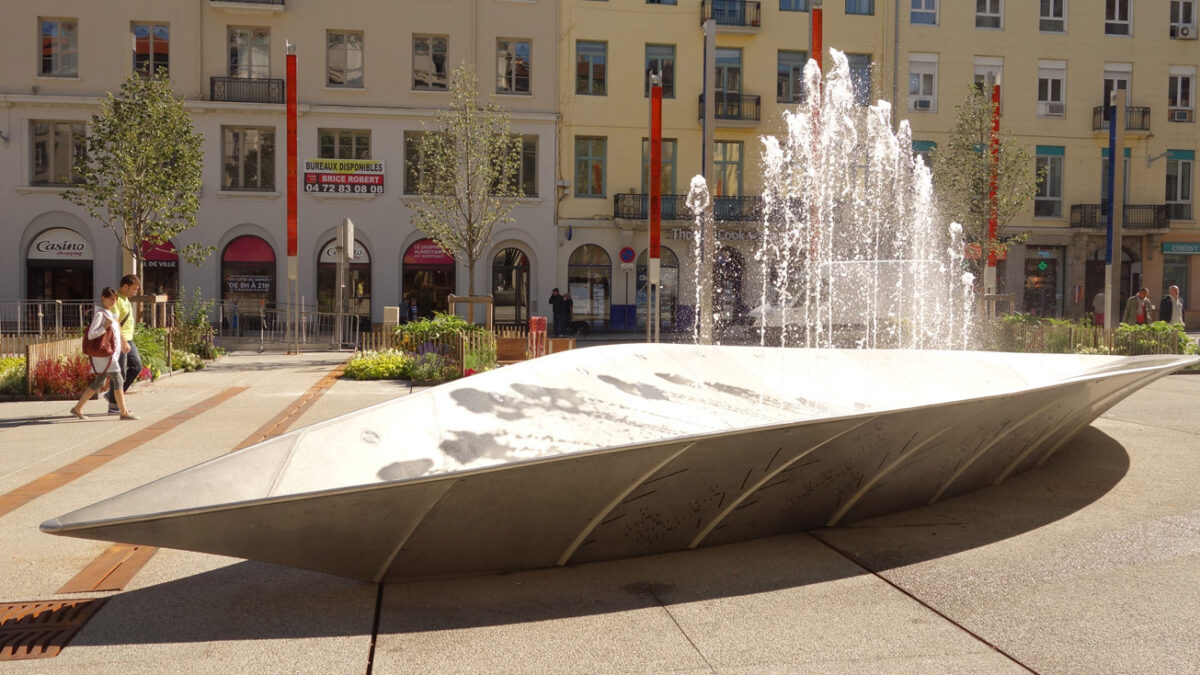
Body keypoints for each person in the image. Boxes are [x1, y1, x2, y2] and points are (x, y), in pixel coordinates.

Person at [70, 287, 136, 420]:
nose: (113, 302)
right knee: (118, 379)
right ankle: (123, 412)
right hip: (105, 356)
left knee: (99, 382)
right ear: (103, 298)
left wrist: (122, 344)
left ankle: (77, 408)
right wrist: (105, 326)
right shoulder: (101, 315)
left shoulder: (109, 314)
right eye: (111, 299)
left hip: (110, 355)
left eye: (115, 300)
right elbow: (91, 335)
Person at [105, 275, 143, 415]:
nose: (135, 292)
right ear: (125, 286)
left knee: (137, 366)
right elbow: (114, 322)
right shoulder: (117, 300)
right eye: (133, 289)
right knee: (120, 372)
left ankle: (112, 397)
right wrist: (122, 341)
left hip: (128, 339)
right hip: (120, 340)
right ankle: (114, 405)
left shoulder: (125, 298)